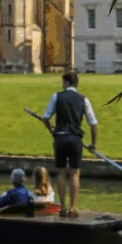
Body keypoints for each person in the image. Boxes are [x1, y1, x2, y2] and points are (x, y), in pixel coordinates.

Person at [41, 71, 97, 218]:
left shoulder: (57, 96)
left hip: (60, 138)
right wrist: (93, 144)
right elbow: (93, 124)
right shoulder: (83, 99)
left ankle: (63, 207)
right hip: (75, 139)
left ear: (66, 83)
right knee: (74, 173)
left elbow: (46, 117)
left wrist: (51, 130)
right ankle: (73, 206)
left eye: (63, 82)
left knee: (60, 172)